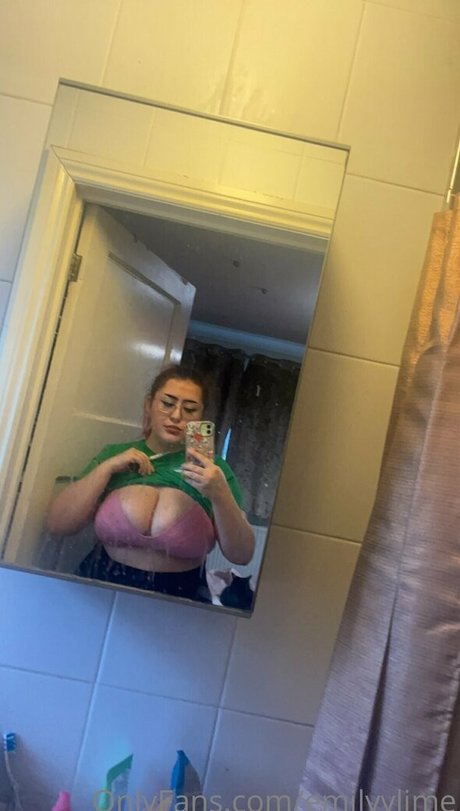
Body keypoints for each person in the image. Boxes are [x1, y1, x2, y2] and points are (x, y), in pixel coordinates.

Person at [46, 365, 255, 602]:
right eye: (167, 403)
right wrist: (106, 469)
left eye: (190, 409)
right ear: (149, 405)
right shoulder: (114, 455)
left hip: (180, 597)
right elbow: (57, 524)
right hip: (97, 585)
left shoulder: (214, 472)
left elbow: (242, 554)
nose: (176, 416)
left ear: (201, 417)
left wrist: (220, 494)